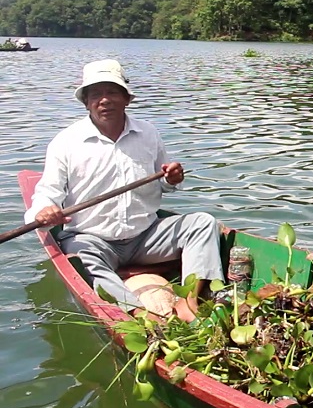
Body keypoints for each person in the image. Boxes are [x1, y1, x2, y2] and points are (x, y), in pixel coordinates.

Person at [24, 59, 224, 321]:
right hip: (93, 240)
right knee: (81, 257)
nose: (104, 100)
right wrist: (45, 212)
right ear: (86, 102)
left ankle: (189, 302)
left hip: (146, 236)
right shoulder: (65, 142)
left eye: (112, 92)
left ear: (126, 99)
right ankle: (140, 315)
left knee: (203, 223)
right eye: (96, 94)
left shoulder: (148, 133)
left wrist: (172, 179)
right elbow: (47, 193)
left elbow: (163, 181)